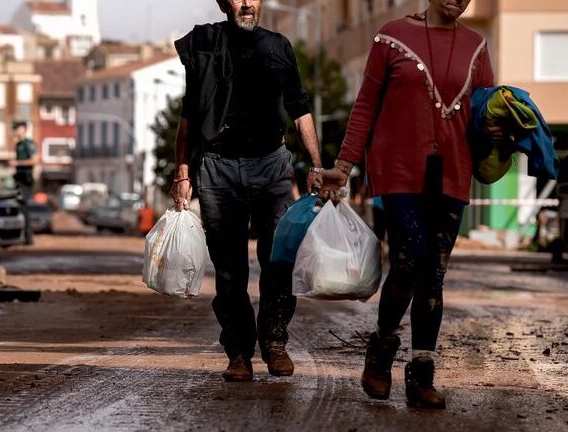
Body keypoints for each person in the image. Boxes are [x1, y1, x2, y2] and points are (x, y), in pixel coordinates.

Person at [322, 0, 501, 409]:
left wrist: (494, 128)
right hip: (399, 169)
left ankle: (422, 374)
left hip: (453, 171)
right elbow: (365, 104)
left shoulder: (477, 46)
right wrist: (344, 165)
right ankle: (381, 351)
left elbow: (484, 111)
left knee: (434, 273)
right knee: (409, 260)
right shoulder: (392, 36)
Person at [174, 0, 324, 382]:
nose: (246, 3)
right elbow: (189, 115)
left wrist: (317, 165)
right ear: (223, 3)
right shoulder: (205, 45)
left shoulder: (278, 46)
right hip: (218, 167)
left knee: (279, 259)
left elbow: (300, 109)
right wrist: (183, 171)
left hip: (271, 164)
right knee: (229, 269)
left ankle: (274, 342)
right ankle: (238, 352)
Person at [9, 120, 39, 244]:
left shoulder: (28, 143)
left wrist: (17, 163)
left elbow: (35, 160)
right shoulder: (18, 144)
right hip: (19, 179)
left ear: (24, 129)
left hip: (26, 179)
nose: (15, 131)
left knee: (23, 206)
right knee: (19, 206)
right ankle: (21, 235)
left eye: (17, 128)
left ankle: (28, 237)